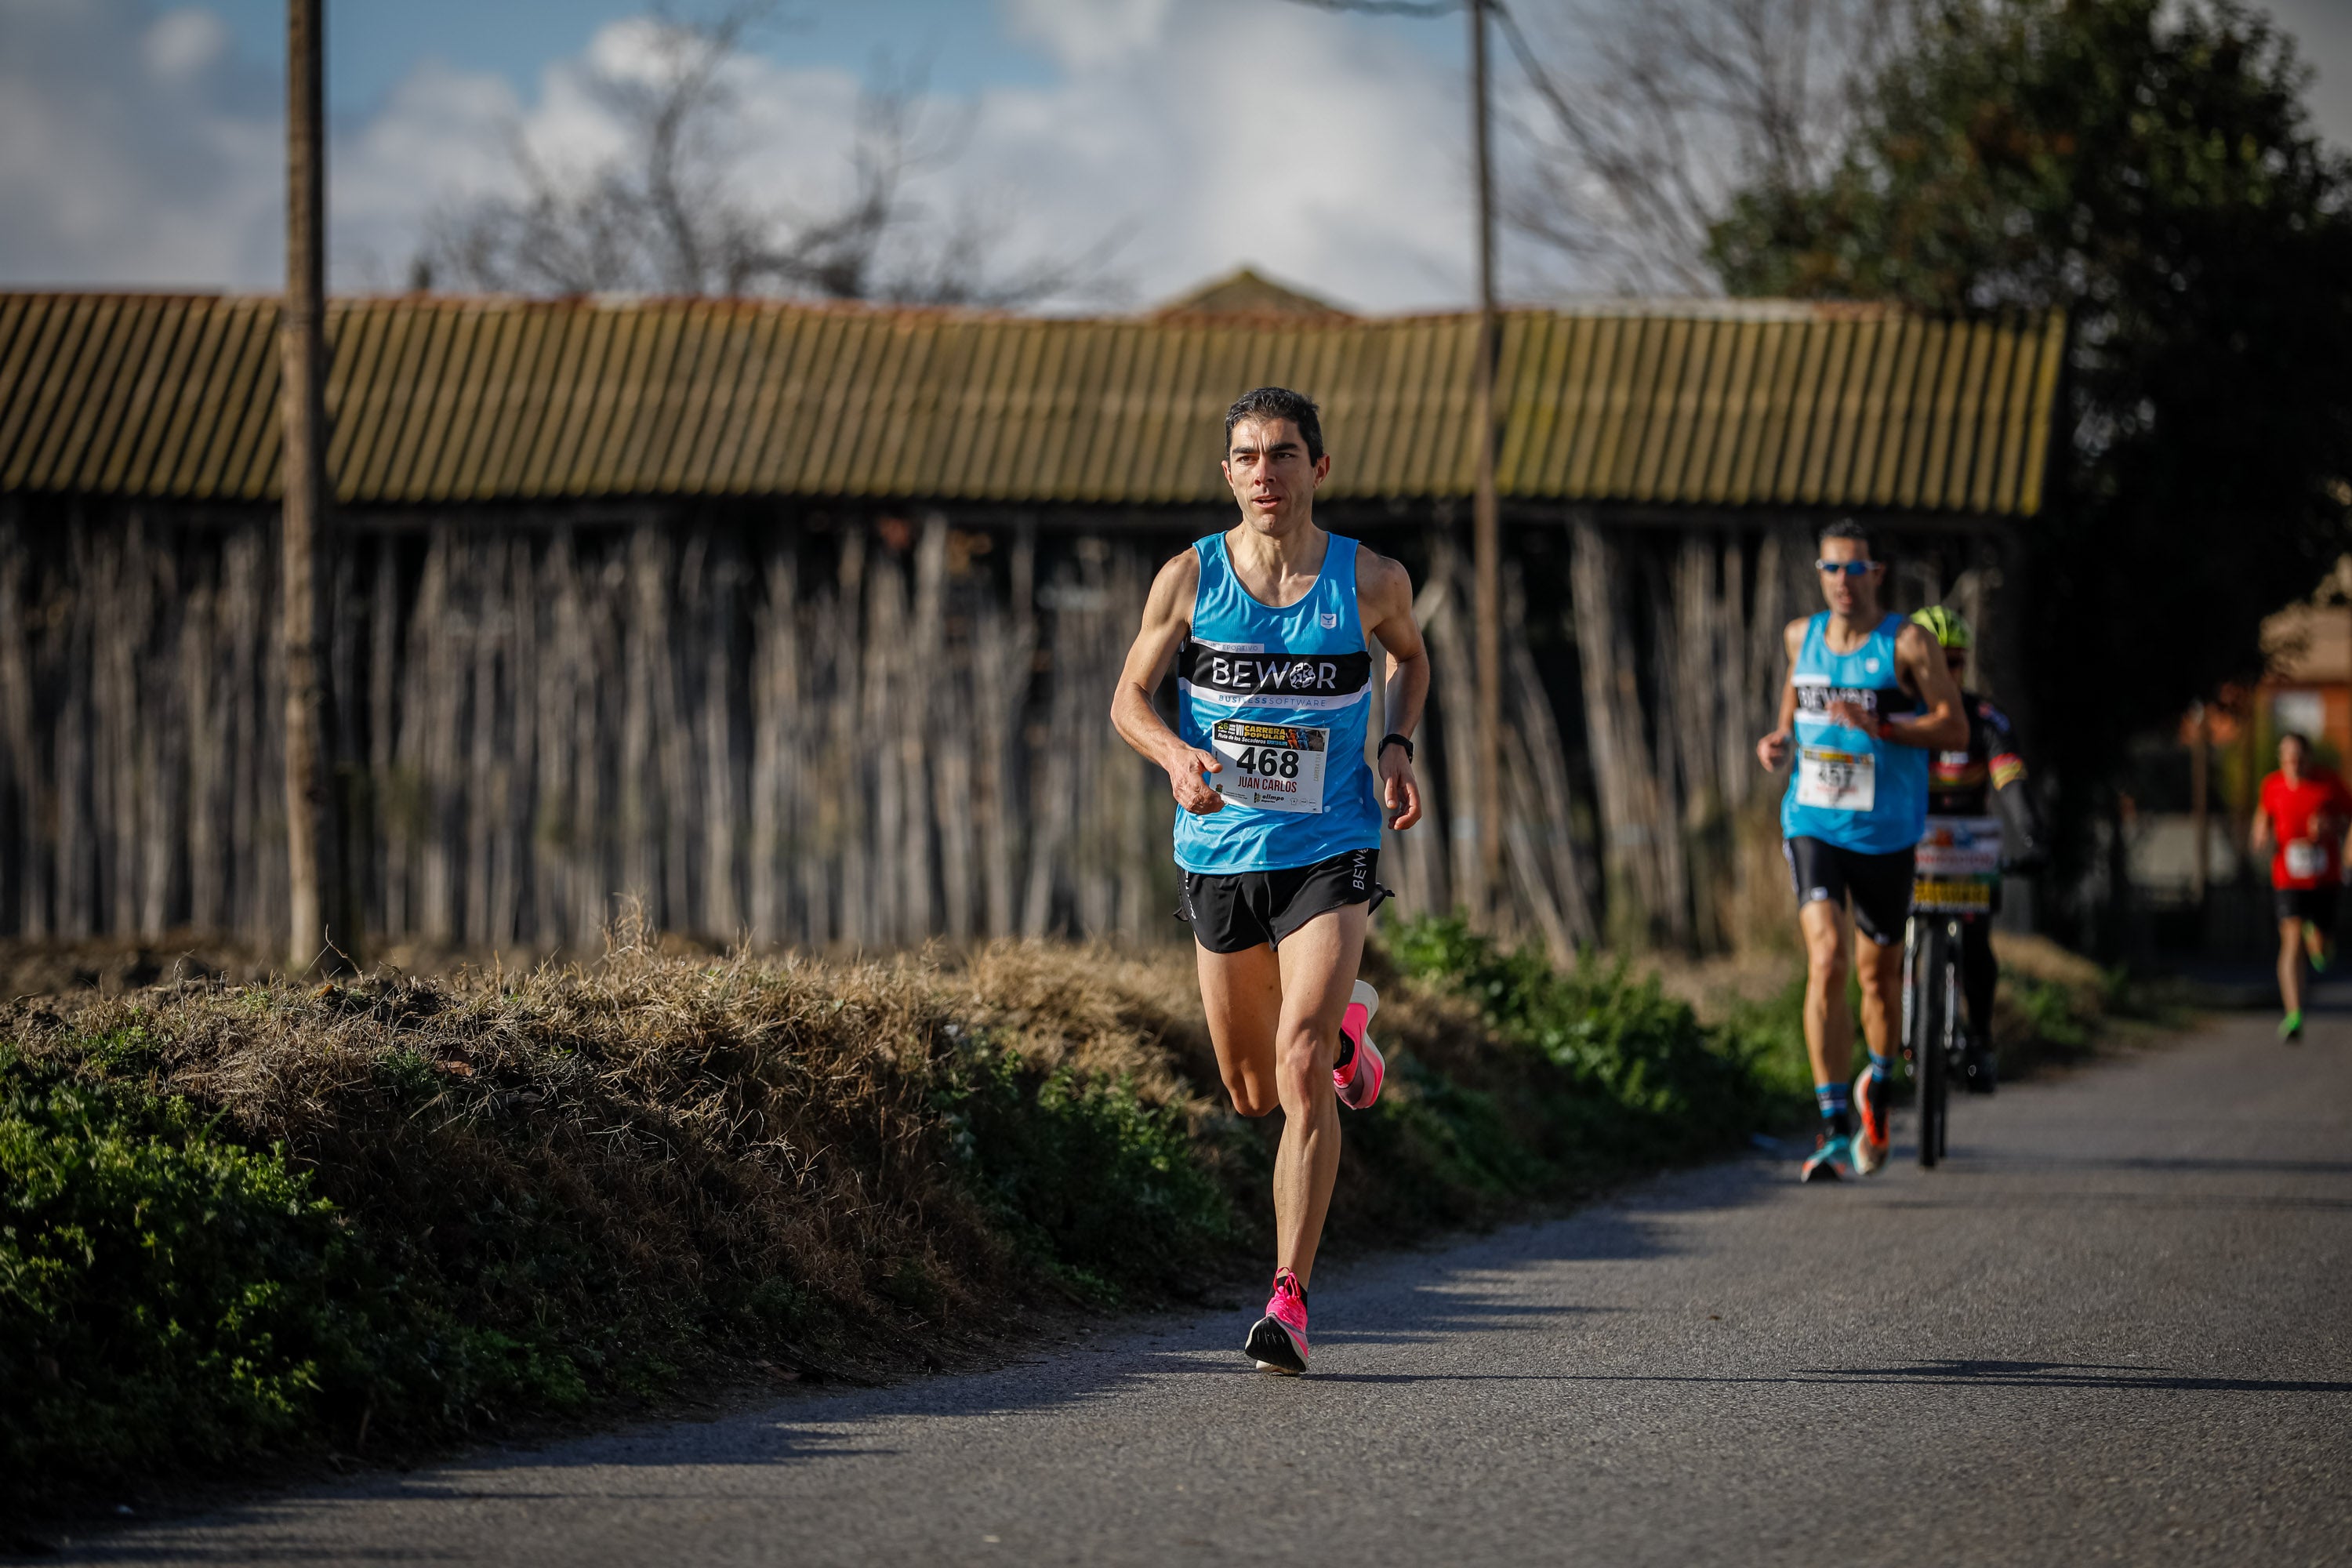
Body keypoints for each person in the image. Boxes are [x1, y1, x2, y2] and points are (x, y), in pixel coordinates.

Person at [1110, 386, 1428, 1374]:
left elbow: (1410, 660)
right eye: (1246, 457)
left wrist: (1394, 744)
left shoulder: (1369, 579)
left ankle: (1287, 1299)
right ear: (1228, 473)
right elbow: (1126, 696)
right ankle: (1346, 1031)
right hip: (1220, 853)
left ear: (1317, 469)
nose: (1265, 474)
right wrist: (1172, 754)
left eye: (1283, 455)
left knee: (1296, 1068)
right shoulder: (1189, 578)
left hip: (1330, 844)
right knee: (1252, 1093)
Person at [1757, 521, 1968, 1181]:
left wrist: (1884, 726)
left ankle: (1875, 1084)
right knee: (1827, 960)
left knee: (1877, 976)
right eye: (1831, 570)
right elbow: (1797, 691)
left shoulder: (1907, 643)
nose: (1842, 582)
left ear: (1877, 573)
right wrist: (1781, 736)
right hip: (1813, 821)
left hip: (1886, 832)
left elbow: (1954, 725)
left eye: (1855, 570)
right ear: (1818, 573)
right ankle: (1830, 1126)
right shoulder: (1802, 633)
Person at [1911, 605, 2045, 1094]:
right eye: (1932, 662)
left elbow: (2009, 778)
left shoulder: (1984, 718)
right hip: (1907, 841)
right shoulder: (1897, 715)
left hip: (1967, 849)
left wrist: (2030, 834)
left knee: (1975, 945)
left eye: (1954, 662)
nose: (1944, 673)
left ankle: (1982, 1040)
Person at [2250, 730, 2352, 1042]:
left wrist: (2337, 835)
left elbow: (2350, 819)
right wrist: (2260, 834)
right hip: (2287, 877)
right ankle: (2293, 1013)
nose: (2292, 762)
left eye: (2297, 756)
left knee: (2321, 947)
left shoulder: (2328, 784)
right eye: (2286, 756)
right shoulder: (2272, 785)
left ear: (2308, 758)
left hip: (2324, 877)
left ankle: (2319, 939)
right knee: (2290, 939)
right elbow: (2262, 817)